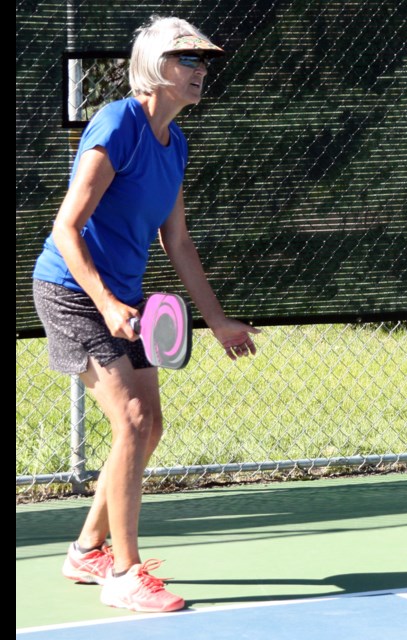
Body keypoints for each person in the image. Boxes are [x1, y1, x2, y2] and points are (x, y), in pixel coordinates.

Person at [32, 16, 260, 612]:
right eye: (190, 61)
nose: (202, 71)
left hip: (122, 299)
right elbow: (66, 226)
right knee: (131, 420)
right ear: (157, 66)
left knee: (148, 425)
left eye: (205, 62)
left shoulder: (175, 142)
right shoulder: (117, 124)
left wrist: (218, 322)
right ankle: (125, 574)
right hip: (72, 289)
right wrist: (106, 304)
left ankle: (87, 549)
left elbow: (177, 242)